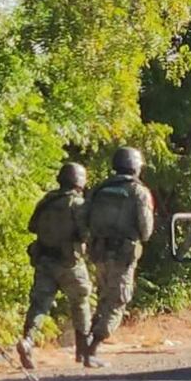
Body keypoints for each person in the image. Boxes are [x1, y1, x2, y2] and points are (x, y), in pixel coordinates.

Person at [83, 147, 154, 368]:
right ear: (135, 166)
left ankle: (85, 346)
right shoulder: (138, 192)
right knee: (118, 300)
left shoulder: (99, 189)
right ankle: (92, 348)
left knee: (104, 297)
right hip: (123, 255)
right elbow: (146, 230)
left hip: (99, 252)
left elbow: (84, 218)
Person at [16, 163, 92, 369]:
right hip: (70, 263)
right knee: (81, 301)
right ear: (79, 181)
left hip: (45, 261)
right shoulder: (77, 204)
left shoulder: (46, 201)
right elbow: (86, 232)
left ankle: (28, 340)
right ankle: (85, 352)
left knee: (40, 305)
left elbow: (32, 226)